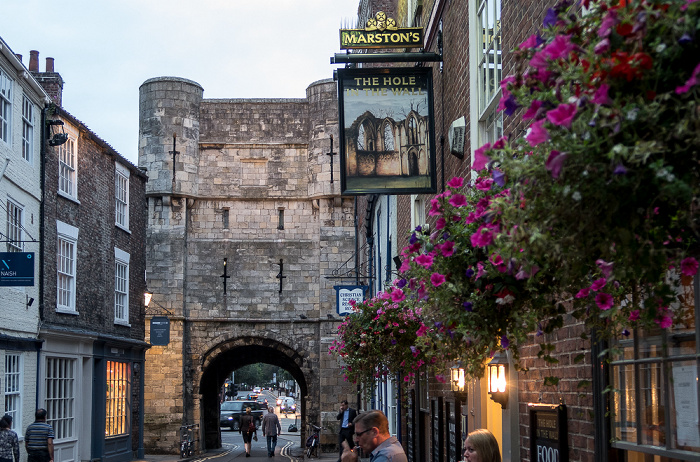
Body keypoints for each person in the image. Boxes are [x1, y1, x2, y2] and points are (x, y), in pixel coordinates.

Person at [340, 410, 406, 462]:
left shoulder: (385, 456)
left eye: (359, 434)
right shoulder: (391, 448)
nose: (356, 439)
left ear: (374, 432)